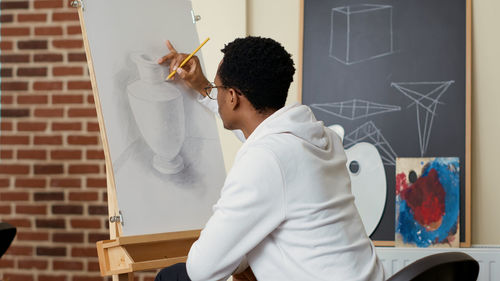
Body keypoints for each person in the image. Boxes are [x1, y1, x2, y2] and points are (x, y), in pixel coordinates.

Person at [155, 36, 384, 281]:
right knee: (245, 265)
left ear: (232, 96)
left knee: (172, 277)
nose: (216, 94)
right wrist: (203, 88)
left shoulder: (265, 160)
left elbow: (201, 270)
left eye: (218, 89)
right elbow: (265, 142)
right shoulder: (320, 138)